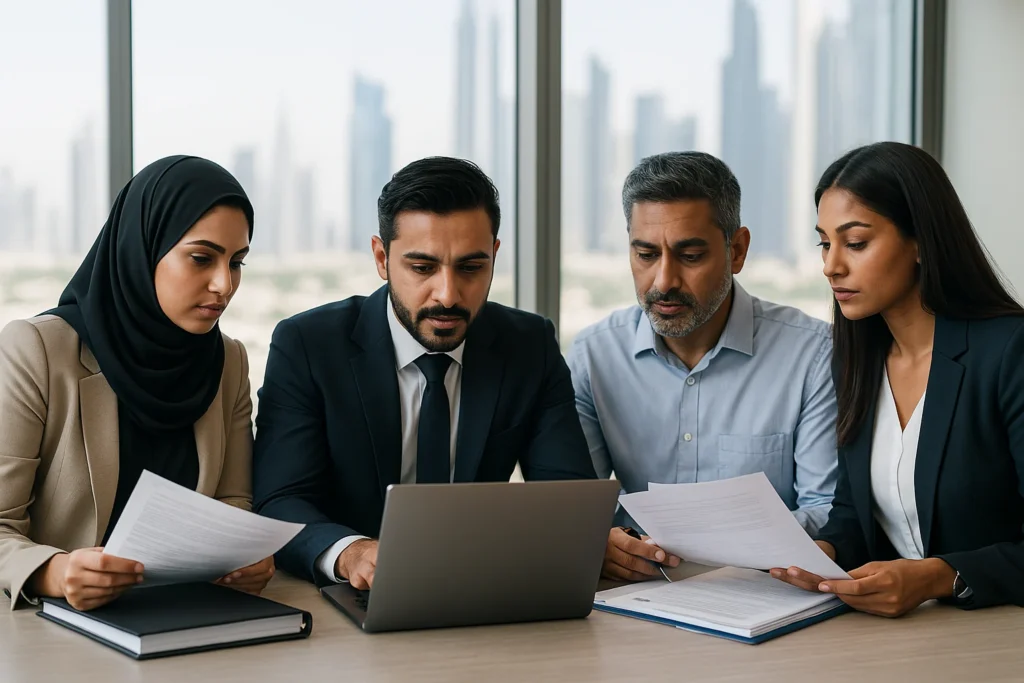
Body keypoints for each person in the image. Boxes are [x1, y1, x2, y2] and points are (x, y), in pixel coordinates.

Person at [252, 157, 596, 589]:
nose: (448, 295)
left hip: (483, 590)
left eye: (471, 268)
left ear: (494, 255)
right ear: (381, 258)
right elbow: (278, 500)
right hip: (347, 600)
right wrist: (351, 552)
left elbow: (569, 498)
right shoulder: (308, 344)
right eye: (422, 268)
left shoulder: (528, 344)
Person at [0, 156, 274, 611]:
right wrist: (55, 571)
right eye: (202, 258)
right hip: (58, 636)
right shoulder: (36, 350)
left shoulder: (228, 361)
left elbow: (232, 504)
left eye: (237, 262)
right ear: (143, 248)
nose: (224, 284)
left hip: (184, 619)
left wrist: (245, 560)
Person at [771, 141, 1024, 616]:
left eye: (856, 242)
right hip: (897, 639)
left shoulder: (1009, 352)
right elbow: (852, 516)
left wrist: (940, 575)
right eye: (825, 243)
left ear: (921, 242)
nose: (831, 266)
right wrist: (823, 556)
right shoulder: (858, 360)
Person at [567, 151, 839, 582]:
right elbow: (576, 510)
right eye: (645, 255)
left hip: (762, 597)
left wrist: (709, 550)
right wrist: (604, 541)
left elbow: (827, 510)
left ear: (738, 250)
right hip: (632, 600)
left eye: (689, 256)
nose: (663, 281)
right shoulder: (593, 356)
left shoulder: (813, 354)